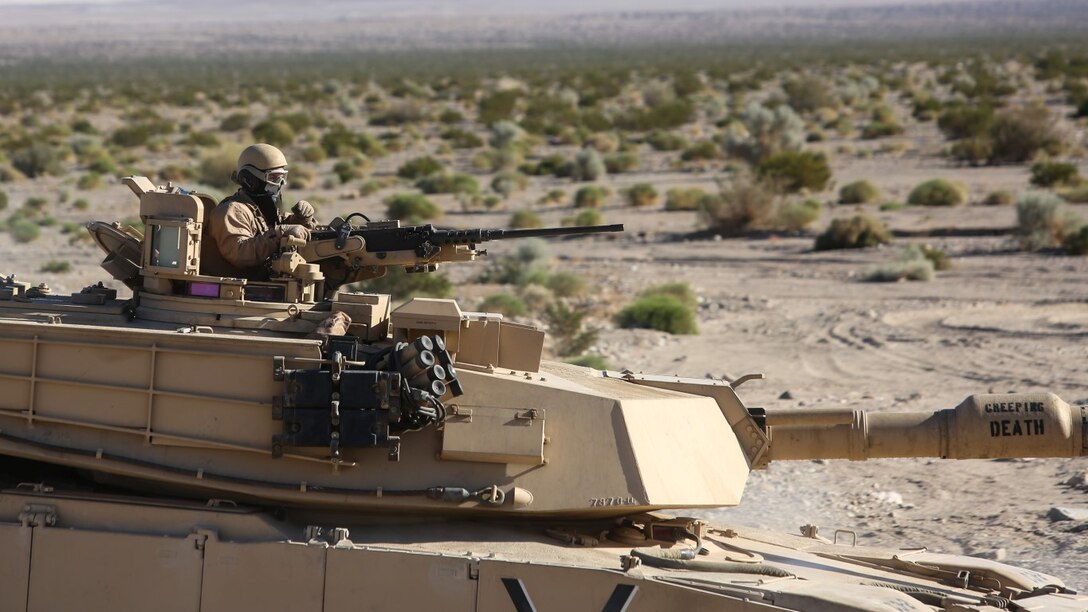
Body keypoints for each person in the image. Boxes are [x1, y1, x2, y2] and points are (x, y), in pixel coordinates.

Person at [201, 143, 317, 280]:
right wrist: (280, 233)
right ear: (251, 179)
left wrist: (302, 220)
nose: (280, 183)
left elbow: (278, 223)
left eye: (282, 178)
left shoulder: (258, 208)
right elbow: (241, 255)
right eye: (273, 178)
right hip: (236, 288)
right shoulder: (232, 211)